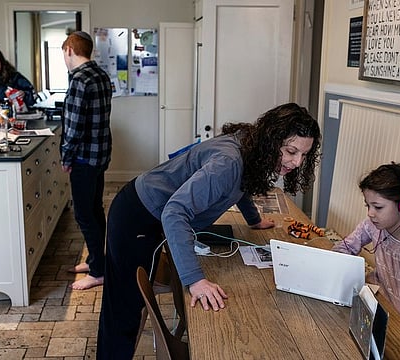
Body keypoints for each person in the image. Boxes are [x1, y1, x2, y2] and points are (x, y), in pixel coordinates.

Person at [97, 103, 322, 359]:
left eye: (303, 155)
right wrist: (195, 280)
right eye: (291, 151)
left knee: (126, 307)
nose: (296, 162)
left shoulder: (250, 145)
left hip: (149, 210)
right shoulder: (227, 163)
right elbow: (174, 213)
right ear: (271, 141)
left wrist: (254, 219)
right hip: (136, 215)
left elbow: (243, 182)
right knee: (123, 310)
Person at [332, 162, 400, 352]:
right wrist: (332, 262)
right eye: (368, 205)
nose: (370, 213)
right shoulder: (372, 225)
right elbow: (348, 246)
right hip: (372, 297)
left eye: (378, 207)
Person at [60, 31, 112, 290]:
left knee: (84, 214)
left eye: (64, 54)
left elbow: (74, 127)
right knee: (95, 210)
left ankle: (99, 271)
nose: (65, 60)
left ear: (70, 49)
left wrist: (66, 157)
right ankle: (96, 261)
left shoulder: (80, 79)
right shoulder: (101, 75)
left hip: (83, 158)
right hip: (99, 155)